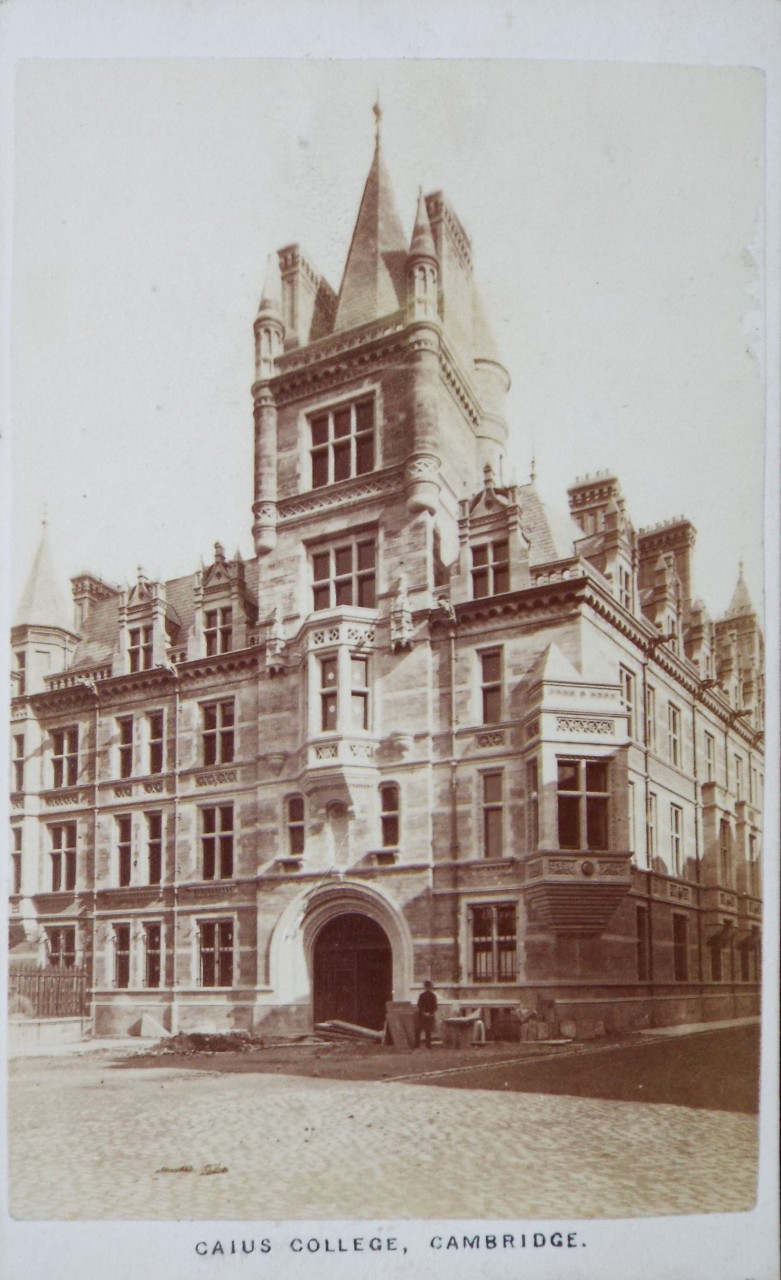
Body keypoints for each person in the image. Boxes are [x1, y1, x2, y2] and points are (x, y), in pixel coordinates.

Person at [415, 980, 437, 1049]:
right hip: (422, 1015)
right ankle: (417, 1044)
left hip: (429, 1015)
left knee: (428, 1031)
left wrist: (431, 1013)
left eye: (429, 987)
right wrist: (423, 1012)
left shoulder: (433, 996)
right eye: (426, 987)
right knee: (418, 1029)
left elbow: (435, 1006)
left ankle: (428, 1045)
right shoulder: (422, 996)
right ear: (425, 987)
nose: (428, 988)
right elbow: (419, 1005)